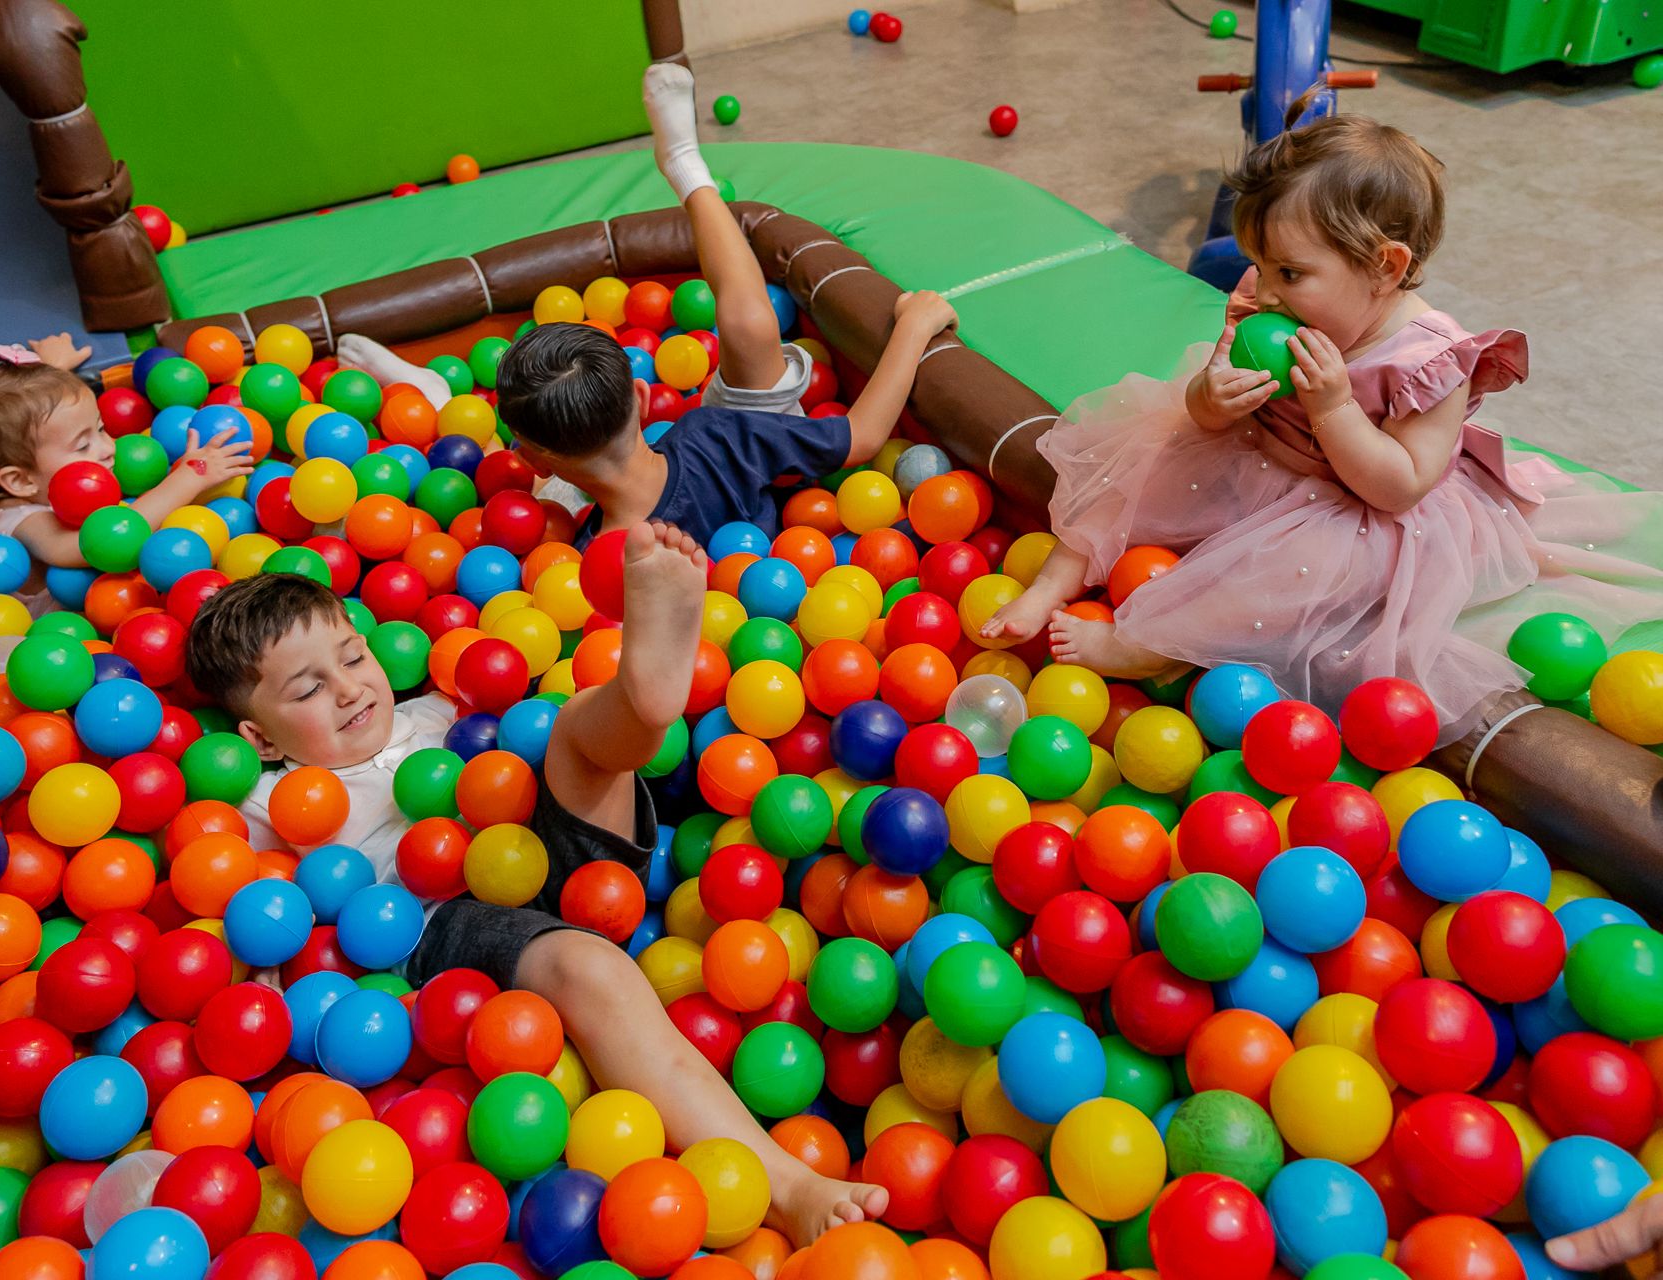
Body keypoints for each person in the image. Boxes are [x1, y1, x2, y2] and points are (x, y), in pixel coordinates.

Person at [183, 523, 889, 1244]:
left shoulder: (439, 708)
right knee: (583, 965)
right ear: (262, 741)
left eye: (354, 657)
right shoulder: (268, 799)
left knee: (568, 732)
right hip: (440, 921)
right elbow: (250, 910)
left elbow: (516, 753)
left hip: (551, 855)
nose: (347, 691)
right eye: (308, 690)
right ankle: (786, 1183)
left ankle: (644, 696)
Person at [979, 103, 1663, 742]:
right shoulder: (1267, 297)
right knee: (1147, 454)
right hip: (1259, 457)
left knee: (1294, 571)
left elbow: (1401, 488)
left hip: (1358, 509)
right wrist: (1213, 401)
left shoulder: (1429, 359)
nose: (1264, 291)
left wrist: (1334, 408)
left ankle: (1148, 646)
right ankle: (1052, 583)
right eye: (1258, 264)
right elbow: (1201, 410)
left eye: (1290, 273)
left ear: (1384, 267)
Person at [483, 63, 958, 549]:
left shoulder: (593, 557)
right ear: (644, 400)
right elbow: (862, 437)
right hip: (760, 495)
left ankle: (685, 163)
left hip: (659, 504)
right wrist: (913, 328)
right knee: (752, 322)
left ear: (532, 459)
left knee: (747, 327)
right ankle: (686, 167)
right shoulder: (710, 436)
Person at [0, 336, 253, 613]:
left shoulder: (40, 471)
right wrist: (189, 477)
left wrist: (54, 368)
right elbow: (99, 545)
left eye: (101, 429)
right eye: (83, 445)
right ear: (20, 481)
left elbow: (48, 423)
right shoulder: (25, 523)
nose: (108, 448)